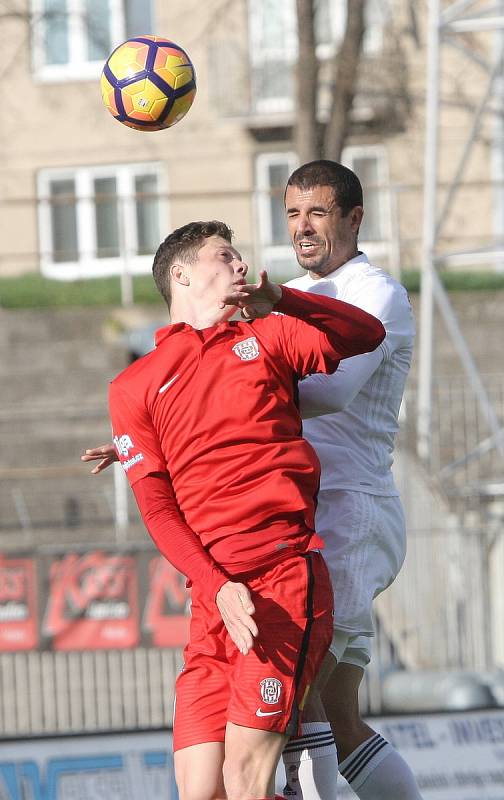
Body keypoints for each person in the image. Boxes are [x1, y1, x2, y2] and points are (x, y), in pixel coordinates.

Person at [83, 161, 421, 800]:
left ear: (353, 218)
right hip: (241, 564)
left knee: (305, 713)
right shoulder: (250, 318)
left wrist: (192, 420)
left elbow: (330, 387)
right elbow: (210, 407)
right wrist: (163, 432)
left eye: (317, 212)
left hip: (340, 516)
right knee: (315, 724)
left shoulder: (369, 291)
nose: (301, 226)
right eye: (293, 213)